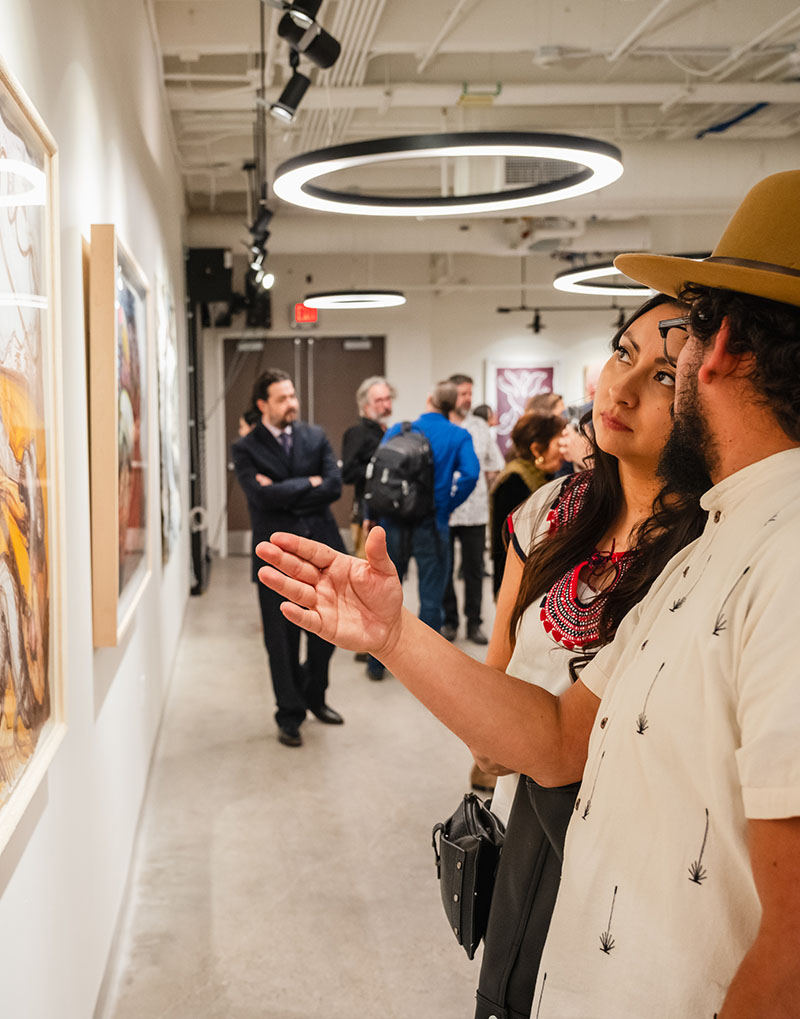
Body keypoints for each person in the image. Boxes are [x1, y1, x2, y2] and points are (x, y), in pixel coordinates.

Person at [255, 170, 800, 1015]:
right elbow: (558, 736)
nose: (625, 387)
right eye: (626, 353)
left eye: (675, 350)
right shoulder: (716, 538)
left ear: (719, 346)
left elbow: (791, 951)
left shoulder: (773, 555)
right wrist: (397, 635)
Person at [231, 367, 345, 748]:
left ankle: (315, 695)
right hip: (275, 556)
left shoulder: (315, 436)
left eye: (292, 396)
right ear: (263, 404)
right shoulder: (246, 448)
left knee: (326, 633)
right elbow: (260, 497)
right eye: (282, 398)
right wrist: (308, 484)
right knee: (281, 641)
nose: (291, 403)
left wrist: (283, 489)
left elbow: (333, 486)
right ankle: (290, 713)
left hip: (322, 550)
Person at [364, 379, 479, 679]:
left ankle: (376, 664)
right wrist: (448, 505)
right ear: (453, 405)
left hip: (393, 523)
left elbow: (377, 472)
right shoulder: (458, 435)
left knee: (385, 595)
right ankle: (422, 670)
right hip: (432, 523)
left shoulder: (398, 429)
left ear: (429, 400)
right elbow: (471, 474)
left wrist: (371, 514)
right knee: (431, 596)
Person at [441, 373, 505, 645]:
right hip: (445, 511)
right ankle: (450, 621)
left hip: (475, 511)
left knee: (474, 570)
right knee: (444, 569)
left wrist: (485, 484)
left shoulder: (479, 427)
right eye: (463, 393)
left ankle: (474, 623)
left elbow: (495, 464)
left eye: (470, 393)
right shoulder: (440, 424)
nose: (467, 399)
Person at [489, 411, 564, 596]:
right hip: (519, 584)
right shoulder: (514, 482)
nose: (563, 449)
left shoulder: (543, 477)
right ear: (537, 449)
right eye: (558, 442)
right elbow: (507, 545)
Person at [341, 376, 395, 559]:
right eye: (379, 400)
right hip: (368, 514)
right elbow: (347, 473)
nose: (386, 405)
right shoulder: (357, 433)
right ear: (365, 405)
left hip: (390, 512)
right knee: (369, 569)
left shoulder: (389, 432)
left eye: (388, 399)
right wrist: (379, 471)